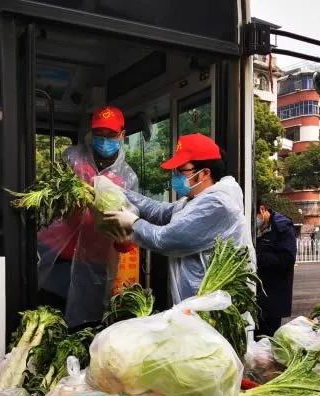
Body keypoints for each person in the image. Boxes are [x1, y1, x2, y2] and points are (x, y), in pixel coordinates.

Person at [103, 133, 253, 304]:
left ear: (204, 173)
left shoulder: (217, 204)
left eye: (181, 171)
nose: (176, 177)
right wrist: (119, 192)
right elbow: (159, 211)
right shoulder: (193, 201)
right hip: (194, 306)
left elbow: (166, 239)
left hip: (213, 310)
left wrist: (133, 223)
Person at [37, 106, 138, 327]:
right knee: (48, 319)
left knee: (85, 323)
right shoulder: (72, 159)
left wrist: (123, 240)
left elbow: (128, 225)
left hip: (93, 261)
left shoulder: (127, 177)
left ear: (122, 134)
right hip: (58, 253)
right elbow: (50, 198)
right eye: (99, 134)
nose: (104, 140)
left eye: (110, 135)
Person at [254, 198, 296, 337]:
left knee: (266, 337)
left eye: (256, 217)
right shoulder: (259, 228)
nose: (255, 222)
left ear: (262, 209)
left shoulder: (282, 227)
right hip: (259, 294)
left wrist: (256, 258)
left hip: (273, 295)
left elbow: (287, 259)